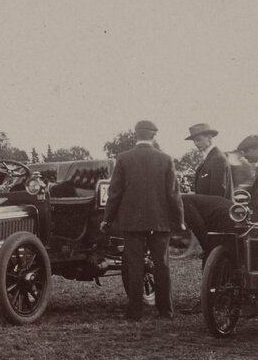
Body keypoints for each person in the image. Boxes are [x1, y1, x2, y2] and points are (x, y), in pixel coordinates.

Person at [100, 120, 184, 320]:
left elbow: (115, 193)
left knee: (134, 265)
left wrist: (107, 219)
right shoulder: (165, 159)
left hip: (132, 222)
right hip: (160, 221)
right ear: (154, 136)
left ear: (135, 135)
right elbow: (174, 194)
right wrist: (179, 219)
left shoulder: (123, 158)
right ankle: (166, 310)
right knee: (162, 265)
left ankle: (135, 312)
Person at [185, 123, 233, 199]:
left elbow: (218, 195)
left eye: (199, 140)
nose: (196, 144)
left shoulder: (218, 159)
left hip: (217, 209)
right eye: (194, 141)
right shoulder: (210, 158)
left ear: (209, 138)